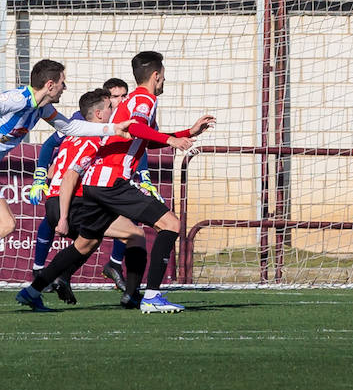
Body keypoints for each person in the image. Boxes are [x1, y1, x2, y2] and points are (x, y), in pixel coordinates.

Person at [0, 60, 131, 315]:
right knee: (6, 224)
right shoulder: (18, 99)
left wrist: (113, 128)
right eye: (62, 83)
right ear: (50, 85)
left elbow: (71, 127)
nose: (65, 87)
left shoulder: (42, 109)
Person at [29, 51, 214, 313]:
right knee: (170, 224)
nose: (163, 82)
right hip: (111, 181)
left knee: (88, 243)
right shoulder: (143, 98)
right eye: (163, 77)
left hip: (95, 183)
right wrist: (172, 141)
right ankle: (150, 296)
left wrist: (187, 132)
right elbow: (138, 128)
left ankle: (33, 289)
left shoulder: (134, 102)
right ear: (156, 76)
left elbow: (141, 137)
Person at [12, 88, 149, 311]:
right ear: (98, 115)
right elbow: (69, 176)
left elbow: (55, 168)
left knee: (88, 243)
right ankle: (132, 295)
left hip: (57, 201)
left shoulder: (74, 135)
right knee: (135, 235)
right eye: (110, 107)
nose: (114, 111)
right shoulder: (94, 139)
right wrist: (64, 217)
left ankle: (35, 290)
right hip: (69, 202)